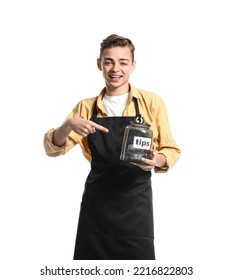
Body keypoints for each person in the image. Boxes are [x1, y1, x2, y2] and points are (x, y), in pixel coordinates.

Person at [43, 34, 181, 260]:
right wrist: (67, 125)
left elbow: (171, 150)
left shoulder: (151, 102)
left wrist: (156, 160)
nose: (115, 69)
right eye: (108, 61)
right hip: (97, 208)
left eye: (123, 62)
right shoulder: (86, 107)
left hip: (136, 206)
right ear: (99, 64)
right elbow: (53, 149)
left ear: (133, 65)